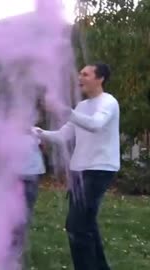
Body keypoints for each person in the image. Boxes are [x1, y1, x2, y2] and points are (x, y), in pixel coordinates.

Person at [34, 63, 119, 270]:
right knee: (86, 224)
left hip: (99, 169)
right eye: (80, 74)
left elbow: (95, 125)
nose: (79, 77)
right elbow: (64, 136)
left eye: (85, 74)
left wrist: (63, 110)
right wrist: (38, 132)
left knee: (76, 225)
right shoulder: (82, 107)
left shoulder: (108, 102)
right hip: (79, 170)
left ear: (100, 79)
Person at [12, 131, 46, 267]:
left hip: (33, 175)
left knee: (26, 212)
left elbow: (44, 149)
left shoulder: (36, 133)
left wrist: (42, 141)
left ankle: (18, 247)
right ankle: (10, 245)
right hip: (16, 175)